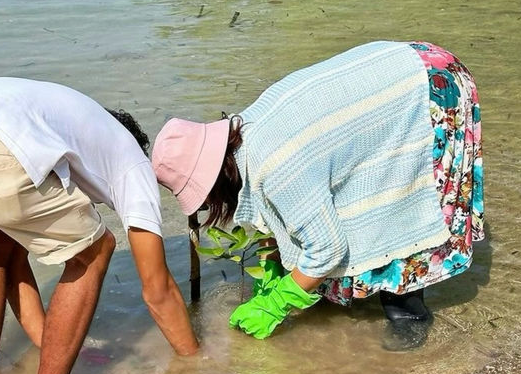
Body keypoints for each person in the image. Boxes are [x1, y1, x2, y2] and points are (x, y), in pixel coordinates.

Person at [151, 41, 484, 349]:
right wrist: (277, 264)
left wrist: (277, 304)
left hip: (430, 88)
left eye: (208, 198)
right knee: (355, 205)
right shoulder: (247, 128)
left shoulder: (277, 167)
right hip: (409, 61)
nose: (212, 205)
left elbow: (328, 248)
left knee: (404, 201)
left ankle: (409, 312)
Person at [0, 78, 198, 374]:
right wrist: (195, 362)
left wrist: (49, 344)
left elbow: (13, 267)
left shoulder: (72, 123)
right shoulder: (132, 160)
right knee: (95, 250)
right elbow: (157, 289)